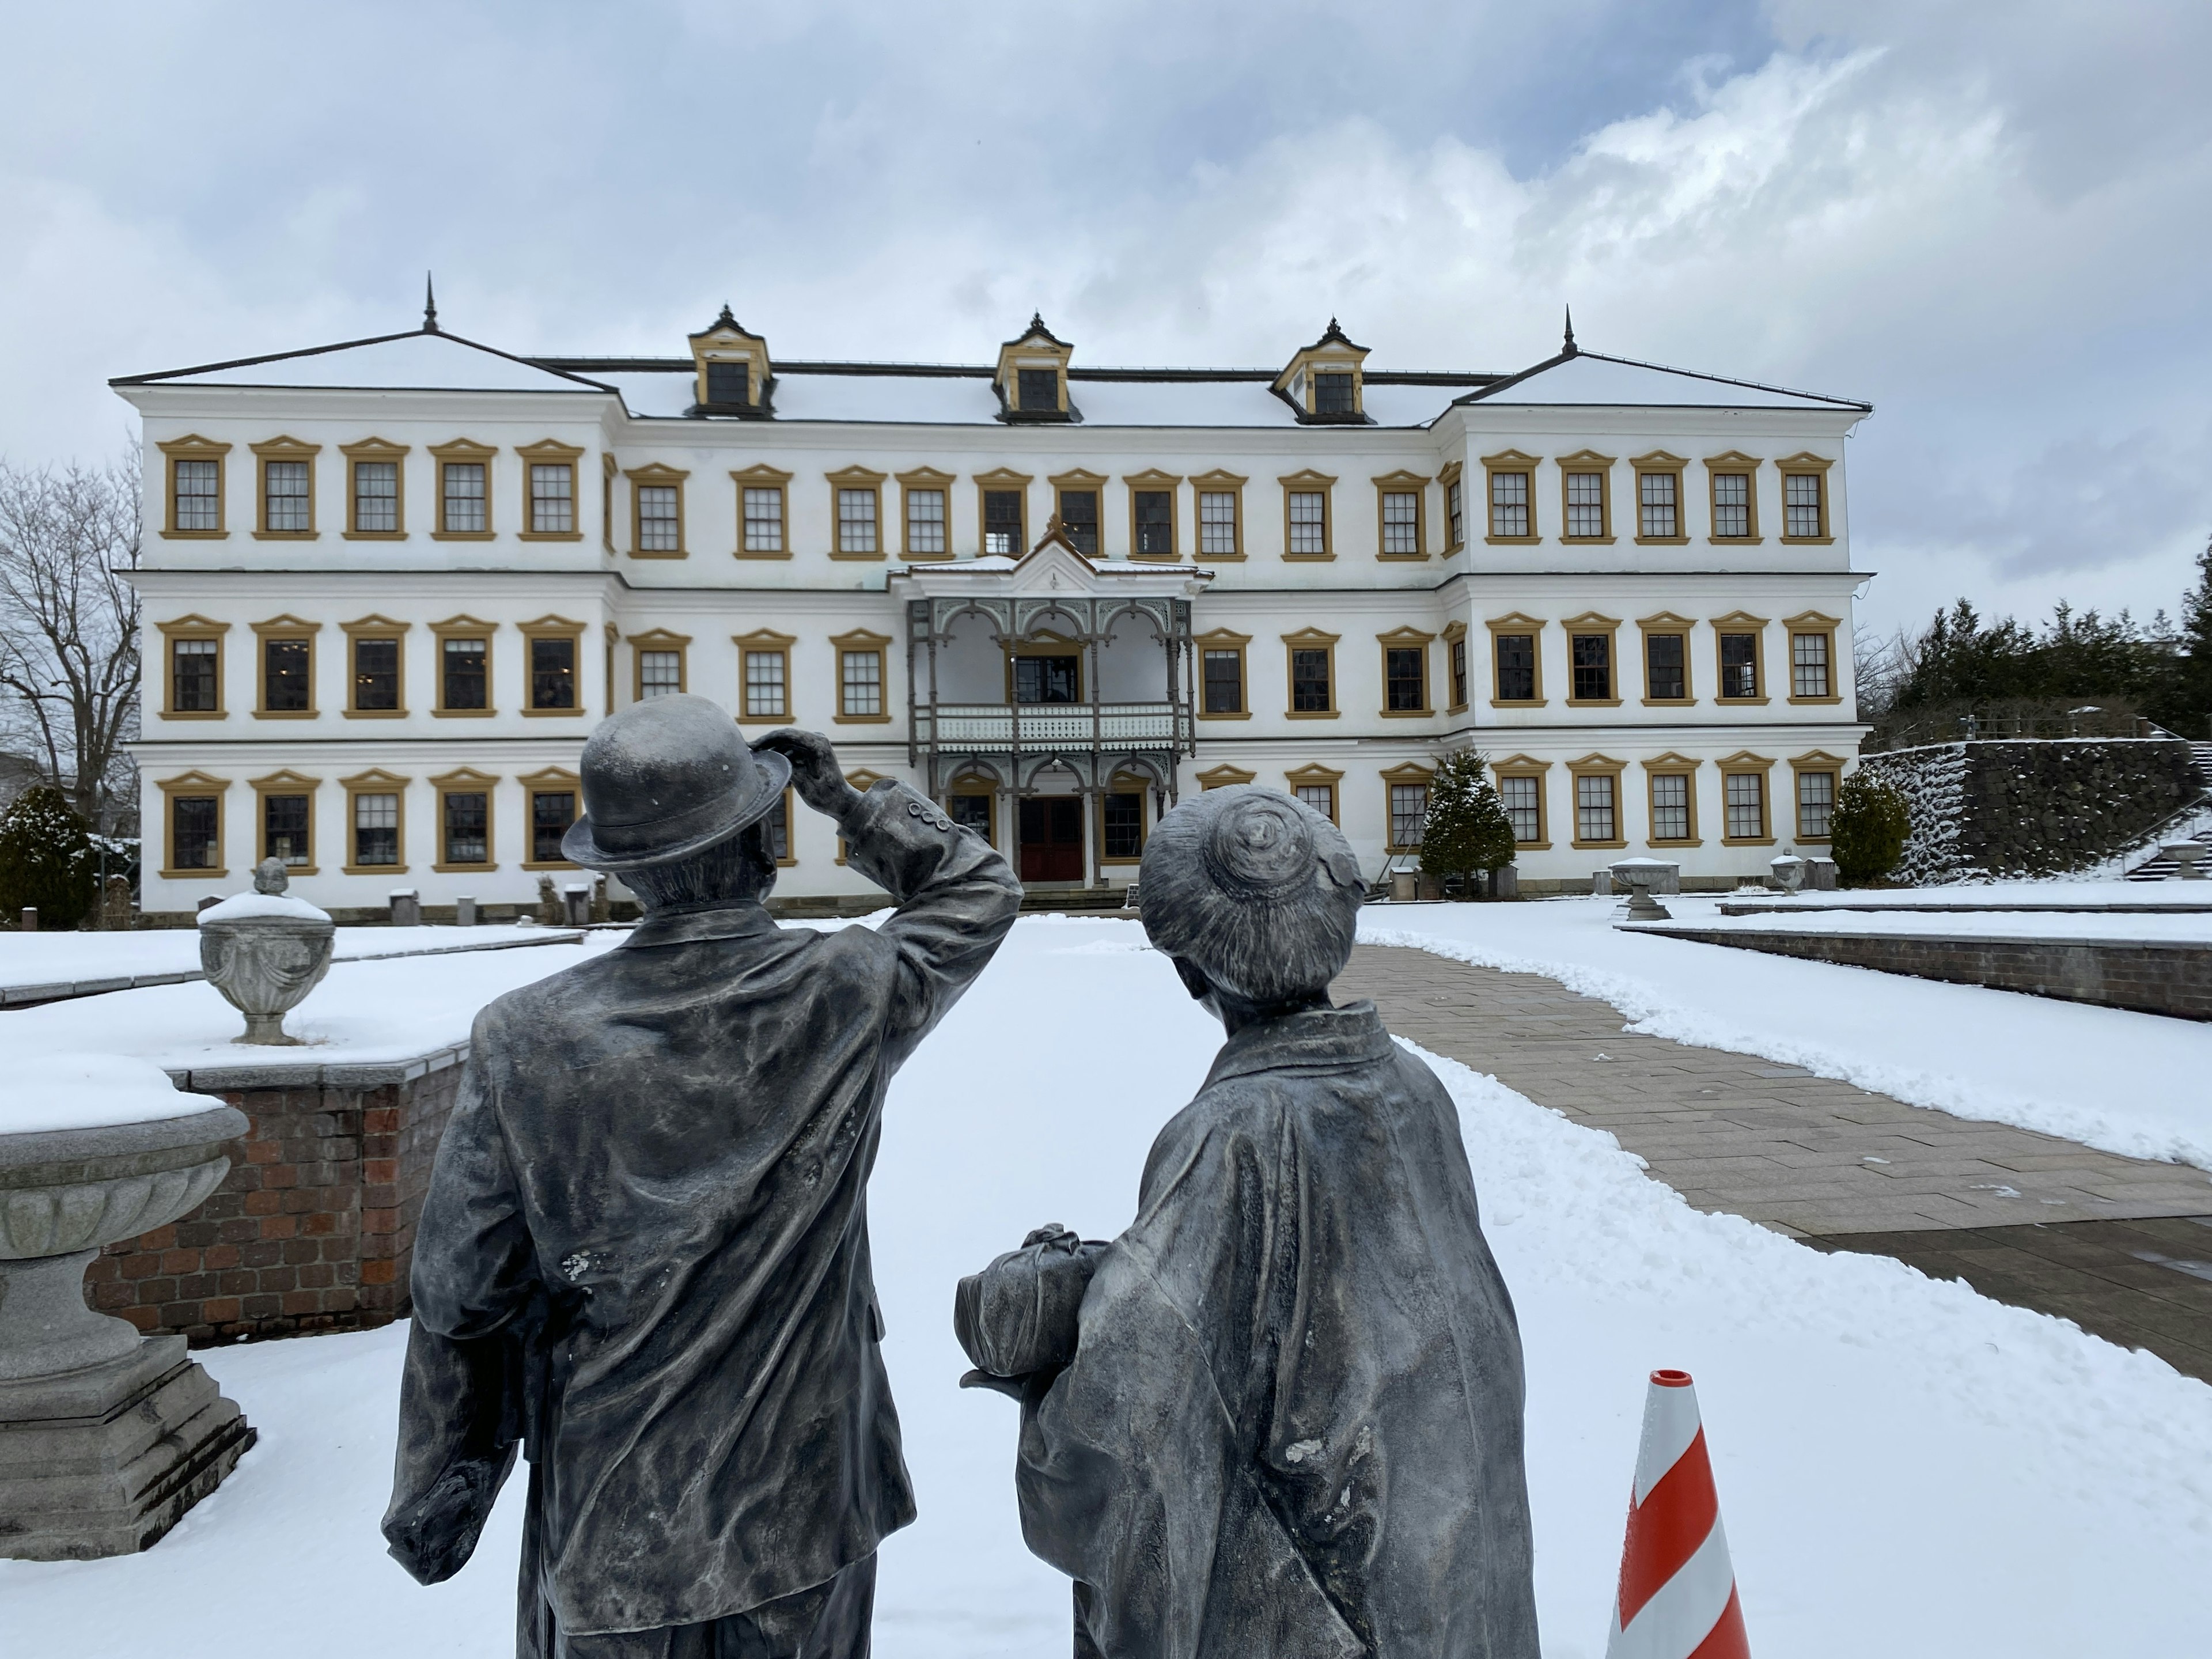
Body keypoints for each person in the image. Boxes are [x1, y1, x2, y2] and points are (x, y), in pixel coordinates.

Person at [384, 695, 1022, 1658]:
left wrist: (443, 1472)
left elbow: (462, 1291)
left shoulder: (526, 1036)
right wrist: (849, 803)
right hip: (810, 1506)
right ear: (761, 843)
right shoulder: (843, 989)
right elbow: (978, 891)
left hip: (615, 1506)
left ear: (625, 870)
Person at [961, 786, 1538, 1658]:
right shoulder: (1410, 1087)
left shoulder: (1232, 1132)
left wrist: (1040, 1355)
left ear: (1190, 968)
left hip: (1328, 1597)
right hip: (1446, 1564)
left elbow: (1133, 1404)